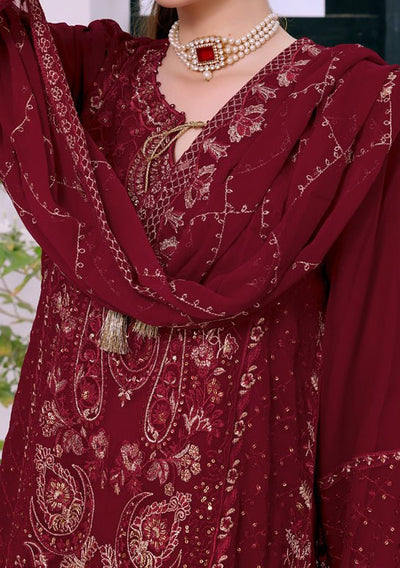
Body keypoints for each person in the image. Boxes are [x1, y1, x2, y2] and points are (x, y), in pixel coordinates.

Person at [0, 0, 399, 565]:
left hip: (224, 531)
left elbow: (368, 377)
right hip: (48, 519)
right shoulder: (82, 73)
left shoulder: (352, 108)